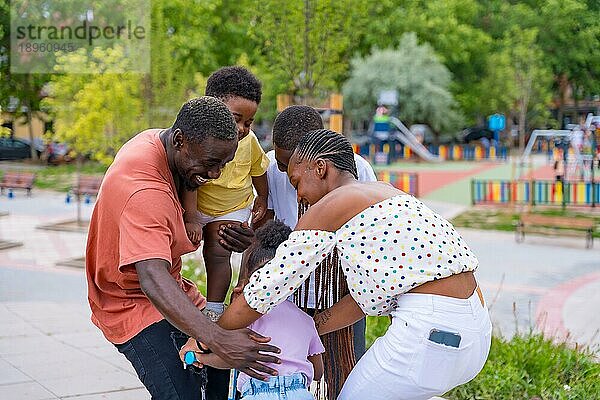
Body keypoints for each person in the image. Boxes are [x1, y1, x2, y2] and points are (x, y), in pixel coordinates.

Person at [218, 129, 492, 400]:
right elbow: (359, 303)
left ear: (321, 169)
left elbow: (267, 287)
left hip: (431, 328)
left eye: (297, 182)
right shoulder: (387, 195)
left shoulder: (334, 204)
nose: (298, 195)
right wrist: (295, 328)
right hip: (475, 331)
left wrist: (210, 335)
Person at [85, 96, 280, 400]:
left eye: (223, 165)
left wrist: (238, 238)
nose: (214, 175)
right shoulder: (145, 191)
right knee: (183, 393)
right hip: (130, 299)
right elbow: (151, 277)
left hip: (171, 284)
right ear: (180, 140)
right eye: (210, 164)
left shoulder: (163, 142)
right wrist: (215, 337)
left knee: (218, 375)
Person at [263, 105, 376, 365]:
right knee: (292, 372)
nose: (284, 170)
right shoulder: (270, 167)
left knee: (344, 372)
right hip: (289, 296)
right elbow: (264, 229)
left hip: (343, 296)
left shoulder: (357, 169)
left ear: (319, 163)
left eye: (289, 165)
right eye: (281, 164)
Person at [179, 220, 325, 400]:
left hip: (258, 392)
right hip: (299, 393)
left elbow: (229, 357)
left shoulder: (246, 316)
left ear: (250, 280)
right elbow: (318, 372)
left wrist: (200, 358)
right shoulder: (306, 319)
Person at [183, 66, 269, 322]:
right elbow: (190, 181)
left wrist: (262, 197)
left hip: (232, 207)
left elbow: (258, 170)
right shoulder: (198, 139)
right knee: (180, 244)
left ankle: (215, 307)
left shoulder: (249, 141)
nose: (242, 128)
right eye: (236, 119)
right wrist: (191, 218)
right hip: (198, 205)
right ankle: (176, 294)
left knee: (218, 250)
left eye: (249, 122)